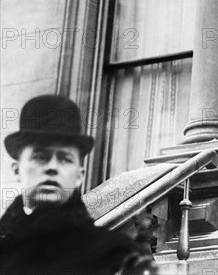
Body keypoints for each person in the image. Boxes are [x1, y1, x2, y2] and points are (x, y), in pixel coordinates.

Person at [0, 95, 157, 275]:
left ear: (79, 175)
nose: (52, 167)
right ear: (16, 169)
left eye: (65, 158)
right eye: (40, 157)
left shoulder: (121, 258)